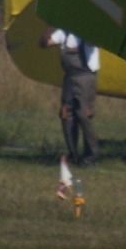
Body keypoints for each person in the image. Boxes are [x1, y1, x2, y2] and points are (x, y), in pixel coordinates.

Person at [40, 27, 100, 165]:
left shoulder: (90, 33)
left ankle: (91, 155)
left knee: (84, 115)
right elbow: (44, 43)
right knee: (66, 114)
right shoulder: (64, 33)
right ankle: (73, 154)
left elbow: (93, 41)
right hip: (69, 76)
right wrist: (50, 26)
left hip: (85, 76)